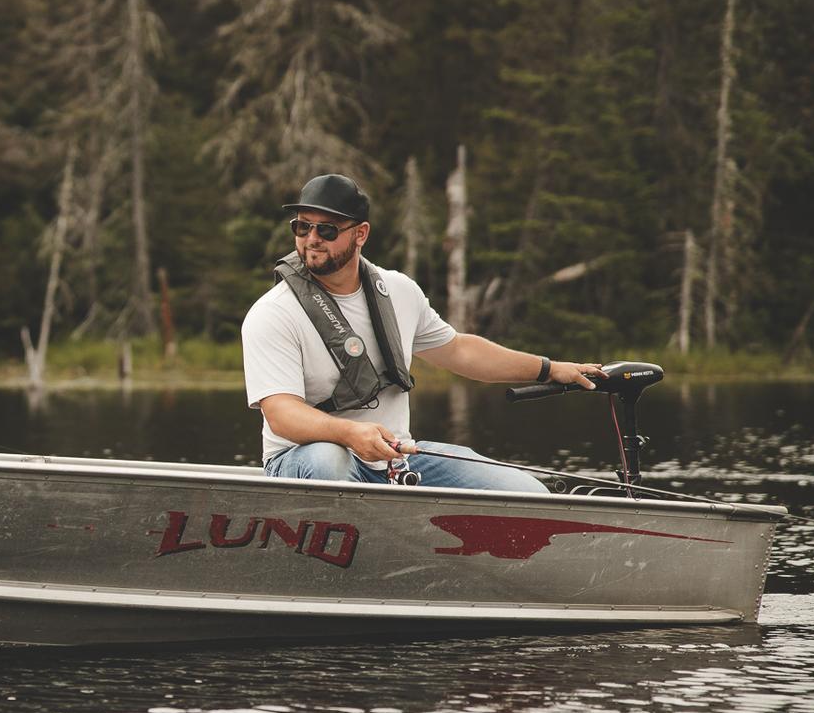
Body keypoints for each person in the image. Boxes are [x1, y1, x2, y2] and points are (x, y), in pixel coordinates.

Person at [242, 174, 602, 491]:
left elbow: (459, 351)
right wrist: (350, 434)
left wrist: (549, 368)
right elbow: (281, 413)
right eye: (302, 227)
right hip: (302, 463)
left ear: (361, 234)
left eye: (327, 229)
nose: (312, 239)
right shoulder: (273, 313)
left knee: (527, 492)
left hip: (396, 460)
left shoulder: (398, 290)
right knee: (329, 461)